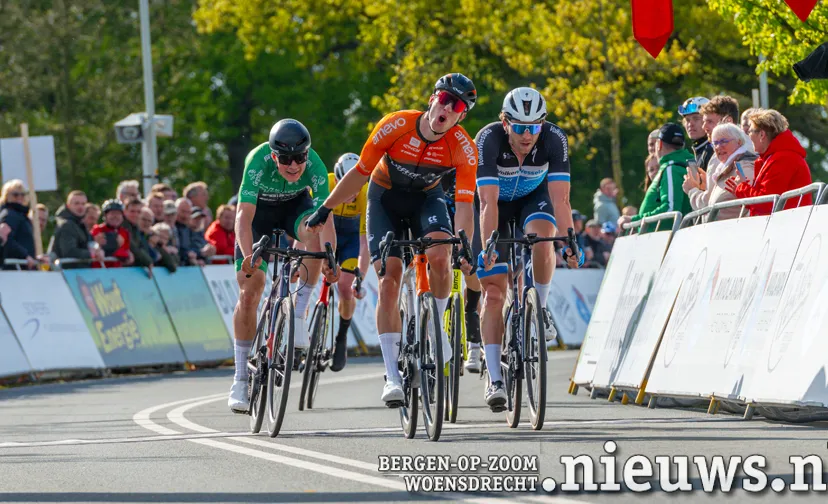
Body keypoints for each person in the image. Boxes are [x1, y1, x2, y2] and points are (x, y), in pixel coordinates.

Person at [305, 73, 478, 406]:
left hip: (427, 200)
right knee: (389, 281)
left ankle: (436, 325)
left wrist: (464, 242)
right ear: (432, 100)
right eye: (443, 99)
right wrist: (326, 209)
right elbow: (359, 175)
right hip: (385, 199)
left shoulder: (463, 147)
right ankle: (392, 377)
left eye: (455, 106)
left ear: (461, 115)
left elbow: (466, 205)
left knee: (442, 255)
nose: (447, 108)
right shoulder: (395, 125)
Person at [475, 87, 581, 410]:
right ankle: (494, 378)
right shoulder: (488, 139)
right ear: (504, 122)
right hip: (496, 208)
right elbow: (487, 201)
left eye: (534, 127)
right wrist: (491, 242)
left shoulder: (554, 139)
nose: (527, 135)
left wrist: (571, 240)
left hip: (533, 200)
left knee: (544, 236)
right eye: (520, 127)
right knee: (493, 292)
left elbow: (561, 199)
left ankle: (540, 307)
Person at [228, 118, 337, 413]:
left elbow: (325, 218)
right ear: (274, 156)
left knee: (313, 234)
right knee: (250, 291)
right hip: (258, 214)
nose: (293, 166)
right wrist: (248, 255)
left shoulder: (314, 165)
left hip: (294, 209)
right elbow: (242, 217)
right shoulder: (256, 161)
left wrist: (331, 256)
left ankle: (299, 312)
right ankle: (239, 378)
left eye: (299, 158)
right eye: (286, 159)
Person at [321, 153, 372, 372]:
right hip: (327, 231)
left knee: (345, 286)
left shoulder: (366, 192)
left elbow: (364, 242)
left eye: (355, 191)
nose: (351, 196)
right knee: (308, 274)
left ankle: (341, 336)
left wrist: (360, 276)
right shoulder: (326, 182)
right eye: (346, 189)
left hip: (352, 238)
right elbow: (309, 222)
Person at [726, 109, 813, 215]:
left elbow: (767, 203)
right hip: (784, 226)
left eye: (750, 131)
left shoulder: (783, 159)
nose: (748, 136)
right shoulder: (777, 157)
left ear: (762, 134)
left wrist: (741, 188)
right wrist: (742, 187)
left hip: (786, 227)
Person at [619, 123, 694, 230]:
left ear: (659, 145)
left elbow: (670, 210)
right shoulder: (685, 165)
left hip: (662, 241)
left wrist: (634, 220)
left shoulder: (671, 169)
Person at [683, 123, 757, 220]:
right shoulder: (726, 168)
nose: (718, 147)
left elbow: (751, 203)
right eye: (715, 143)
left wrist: (692, 190)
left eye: (723, 141)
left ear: (739, 142)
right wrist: (705, 187)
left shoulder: (744, 167)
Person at [50, 190, 104, 267]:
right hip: (67, 274)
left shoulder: (79, 224)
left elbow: (88, 244)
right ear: (68, 205)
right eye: (76, 203)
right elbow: (69, 251)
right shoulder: (66, 225)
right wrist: (91, 254)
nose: (80, 207)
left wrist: (98, 250)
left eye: (83, 204)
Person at [0, 180, 42, 270]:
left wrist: (34, 258)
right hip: (15, 268)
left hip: (22, 267)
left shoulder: (20, 215)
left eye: (22, 194)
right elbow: (7, 240)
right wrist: (25, 256)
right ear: (7, 196)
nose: (19, 197)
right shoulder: (10, 214)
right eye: (15, 194)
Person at [91, 199, 131, 267]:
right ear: (105, 215)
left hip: (118, 272)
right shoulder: (97, 230)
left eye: (118, 213)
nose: (115, 216)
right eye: (112, 213)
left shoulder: (125, 233)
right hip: (100, 271)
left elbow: (127, 253)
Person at [678, 96, 714, 172]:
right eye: (687, 120)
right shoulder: (701, 149)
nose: (690, 124)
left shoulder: (713, 150)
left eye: (696, 118)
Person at [123, 198, 154, 268]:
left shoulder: (136, 227)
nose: (135, 214)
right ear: (125, 211)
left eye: (138, 212)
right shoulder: (122, 226)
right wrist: (148, 262)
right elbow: (132, 246)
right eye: (132, 211)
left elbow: (141, 246)